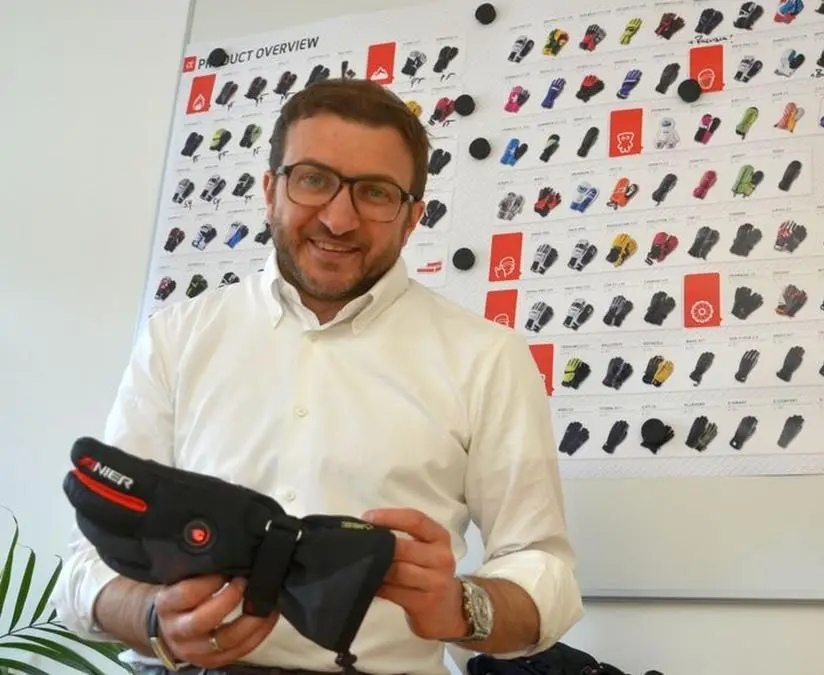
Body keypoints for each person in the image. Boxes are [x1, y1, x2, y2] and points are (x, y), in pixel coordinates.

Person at [51, 78, 584, 675]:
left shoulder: (488, 356)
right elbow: (87, 568)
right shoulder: (176, 337)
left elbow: (543, 567)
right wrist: (154, 617)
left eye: (375, 193)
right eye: (313, 179)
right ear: (270, 190)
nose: (338, 218)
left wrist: (464, 607)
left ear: (413, 217)